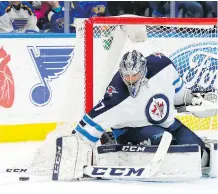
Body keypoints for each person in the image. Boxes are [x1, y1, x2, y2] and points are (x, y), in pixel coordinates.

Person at [52, 50, 212, 181]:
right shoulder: (116, 96)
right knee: (168, 144)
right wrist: (71, 151)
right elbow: (89, 125)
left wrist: (193, 99)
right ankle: (111, 138)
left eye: (134, 75)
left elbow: (179, 94)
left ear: (143, 70)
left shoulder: (163, 66)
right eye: (126, 76)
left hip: (168, 124)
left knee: (200, 155)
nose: (130, 80)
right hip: (130, 130)